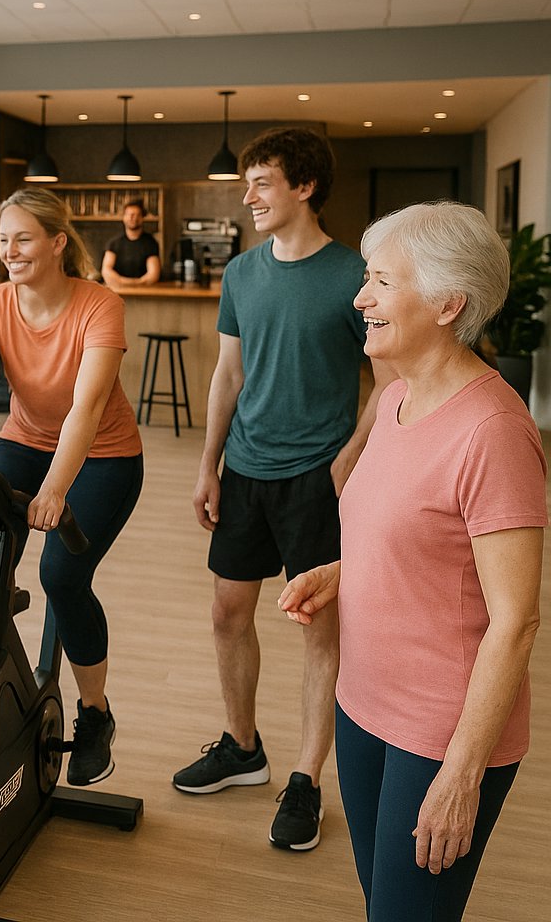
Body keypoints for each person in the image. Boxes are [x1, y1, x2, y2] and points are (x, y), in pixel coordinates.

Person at [280, 201, 543, 920]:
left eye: (380, 282)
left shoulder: (493, 431)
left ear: (447, 302)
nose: (360, 298)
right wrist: (345, 573)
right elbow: (414, 536)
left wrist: (462, 773)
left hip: (440, 730)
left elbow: (516, 621)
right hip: (362, 707)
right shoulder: (396, 397)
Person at [174, 126, 396, 852]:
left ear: (304, 186)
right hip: (245, 468)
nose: (249, 196)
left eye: (262, 182)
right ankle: (243, 748)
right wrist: (209, 464)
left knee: (318, 628)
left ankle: (305, 777)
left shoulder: (355, 274)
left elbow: (387, 380)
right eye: (248, 183)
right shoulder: (240, 274)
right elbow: (227, 375)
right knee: (226, 612)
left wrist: (349, 459)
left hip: (316, 478)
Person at [0, 187, 143, 786]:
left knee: (62, 576)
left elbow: (87, 408)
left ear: (57, 242)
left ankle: (95, 714)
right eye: (2, 240)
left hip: (105, 454)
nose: (10, 251)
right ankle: (3, 691)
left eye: (23, 238)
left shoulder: (99, 306)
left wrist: (56, 489)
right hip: (24, 440)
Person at [101, 198, 161, 287]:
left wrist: (136, 283)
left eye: (138, 215)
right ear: (124, 217)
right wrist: (123, 282)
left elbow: (153, 274)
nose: (134, 218)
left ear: (142, 218)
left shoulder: (151, 243)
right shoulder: (113, 243)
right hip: (118, 291)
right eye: (131, 215)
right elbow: (106, 270)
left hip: (144, 293)